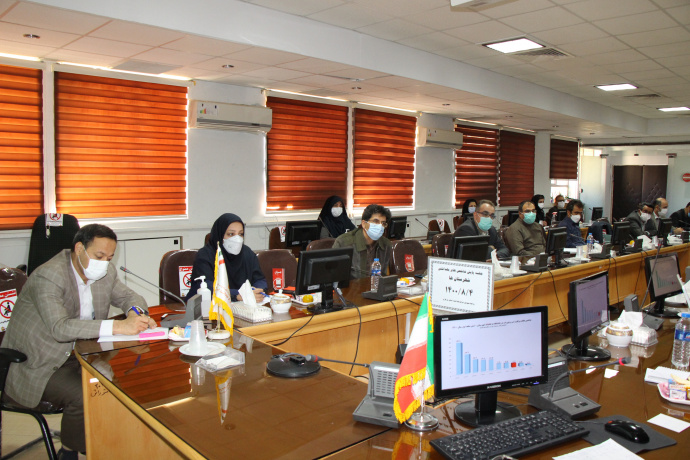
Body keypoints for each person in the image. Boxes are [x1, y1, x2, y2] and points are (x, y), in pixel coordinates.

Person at [1, 224, 154, 459]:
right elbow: (60, 328)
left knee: (121, 382)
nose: (104, 263)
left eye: (109, 258)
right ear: (79, 248)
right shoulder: (49, 276)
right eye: (99, 256)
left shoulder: (104, 272)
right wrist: (119, 326)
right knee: (85, 393)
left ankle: (96, 440)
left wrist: (135, 313)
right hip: (39, 361)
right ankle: (70, 451)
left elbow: (130, 297)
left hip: (80, 352)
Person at [186, 213, 267, 303]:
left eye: (240, 234)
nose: (237, 238)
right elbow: (206, 287)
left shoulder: (247, 252)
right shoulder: (205, 255)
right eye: (231, 234)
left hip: (245, 306)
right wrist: (237, 294)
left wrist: (256, 290)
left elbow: (260, 279)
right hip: (212, 306)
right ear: (220, 235)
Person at [333, 204, 392, 279]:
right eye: (375, 221)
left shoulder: (386, 244)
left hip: (375, 285)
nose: (380, 226)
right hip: (351, 286)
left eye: (383, 223)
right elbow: (333, 275)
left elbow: (382, 275)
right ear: (364, 224)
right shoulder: (343, 242)